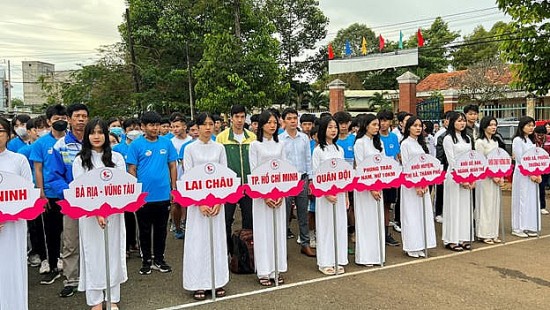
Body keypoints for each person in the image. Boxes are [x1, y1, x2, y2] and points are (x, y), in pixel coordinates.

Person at [73, 118, 127, 310]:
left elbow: (122, 188)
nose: (96, 136)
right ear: (87, 136)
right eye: (92, 132)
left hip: (114, 214)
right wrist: (96, 212)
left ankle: (112, 298)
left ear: (106, 134)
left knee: (113, 252)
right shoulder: (80, 160)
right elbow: (81, 190)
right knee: (93, 253)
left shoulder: (117, 158)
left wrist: (108, 210)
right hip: (89, 217)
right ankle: (95, 299)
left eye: (100, 132)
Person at [182, 112, 229, 300]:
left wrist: (219, 200)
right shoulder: (190, 149)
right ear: (198, 127)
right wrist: (200, 202)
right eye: (205, 124)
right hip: (196, 204)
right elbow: (188, 177)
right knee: (198, 242)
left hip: (217, 202)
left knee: (216, 241)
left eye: (211, 124)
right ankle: (198, 283)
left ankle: (216, 281)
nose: (208, 127)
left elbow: (225, 175)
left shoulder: (219, 148)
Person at [127, 111, 177, 274]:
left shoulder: (166, 143)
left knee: (161, 229)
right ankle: (146, 260)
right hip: (144, 196)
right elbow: (132, 169)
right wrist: (136, 192)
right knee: (145, 229)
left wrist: (173, 188)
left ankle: (160, 259)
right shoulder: (136, 145)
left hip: (163, 194)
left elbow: (172, 166)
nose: (155, 128)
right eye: (151, 125)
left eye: (157, 125)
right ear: (143, 127)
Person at [51, 103, 89, 297]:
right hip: (71, 202)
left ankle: (93, 276)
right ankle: (71, 279)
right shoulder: (60, 145)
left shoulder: (96, 141)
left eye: (84, 116)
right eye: (77, 116)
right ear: (69, 119)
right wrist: (70, 193)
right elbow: (54, 176)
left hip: (94, 202)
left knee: (93, 241)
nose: (81, 119)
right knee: (71, 241)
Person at [30, 104, 69, 286]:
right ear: (48, 121)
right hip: (50, 195)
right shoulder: (40, 144)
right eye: (56, 119)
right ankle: (53, 266)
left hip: (71, 195)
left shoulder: (72, 140)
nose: (60, 122)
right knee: (52, 232)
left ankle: (73, 269)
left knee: (71, 234)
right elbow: (38, 169)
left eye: (63, 119)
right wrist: (41, 194)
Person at [249, 110, 289, 286]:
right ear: (262, 124)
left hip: (278, 194)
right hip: (261, 196)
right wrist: (265, 194)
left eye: (275, 122)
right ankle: (264, 271)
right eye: (269, 122)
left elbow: (285, 169)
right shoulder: (255, 145)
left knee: (277, 231)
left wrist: (280, 193)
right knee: (263, 231)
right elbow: (254, 171)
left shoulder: (280, 145)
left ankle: (277, 268)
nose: (272, 125)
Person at [0, 116, 33, 310]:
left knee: (13, 268)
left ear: (9, 134)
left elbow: (28, 193)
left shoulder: (18, 160)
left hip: (14, 225)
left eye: (0, 131)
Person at [216, 104, 256, 250]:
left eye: (242, 117)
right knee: (226, 220)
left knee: (250, 219)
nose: (239, 120)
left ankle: (246, 251)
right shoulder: (221, 138)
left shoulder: (252, 137)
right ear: (231, 118)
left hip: (248, 186)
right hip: (229, 188)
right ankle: (227, 250)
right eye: (236, 117)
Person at [312, 116, 349, 275]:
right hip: (324, 195)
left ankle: (338, 258)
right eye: (330, 127)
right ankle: (325, 261)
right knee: (326, 226)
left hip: (340, 194)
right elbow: (315, 175)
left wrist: (346, 195)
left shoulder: (339, 150)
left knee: (339, 226)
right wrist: (326, 193)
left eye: (335, 127)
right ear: (323, 130)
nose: (333, 130)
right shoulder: (318, 150)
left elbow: (345, 174)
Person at [280, 108, 315, 258]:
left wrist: (310, 179)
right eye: (289, 118)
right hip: (287, 181)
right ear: (283, 121)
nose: (293, 121)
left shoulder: (304, 138)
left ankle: (305, 244)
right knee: (285, 214)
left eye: (295, 118)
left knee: (303, 213)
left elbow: (308, 158)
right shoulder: (279, 139)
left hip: (302, 179)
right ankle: (282, 247)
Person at [400, 116, 437, 258]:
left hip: (423, 183)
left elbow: (426, 164)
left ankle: (422, 243)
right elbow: (406, 166)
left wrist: (425, 182)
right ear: (408, 127)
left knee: (423, 213)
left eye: (420, 126)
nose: (418, 128)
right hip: (410, 185)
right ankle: (411, 246)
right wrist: (415, 184)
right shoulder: (405, 144)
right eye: (414, 125)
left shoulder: (421, 144)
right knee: (411, 214)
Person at [353, 114, 385, 266]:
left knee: (376, 219)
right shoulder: (360, 143)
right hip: (365, 187)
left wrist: (379, 184)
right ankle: (365, 256)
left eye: (378, 125)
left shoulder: (379, 143)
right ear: (366, 125)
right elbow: (360, 166)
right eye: (374, 124)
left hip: (378, 185)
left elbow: (384, 164)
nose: (377, 127)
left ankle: (377, 253)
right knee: (366, 220)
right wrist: (371, 187)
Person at [442, 112, 474, 252]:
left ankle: (463, 237)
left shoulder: (468, 138)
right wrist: (461, 178)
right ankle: (451, 239)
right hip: (455, 177)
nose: (462, 123)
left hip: (468, 175)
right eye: (459, 121)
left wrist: (472, 177)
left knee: (465, 208)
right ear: (452, 122)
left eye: (463, 121)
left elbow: (472, 158)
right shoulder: (448, 139)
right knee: (454, 207)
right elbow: (452, 160)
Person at [475, 116, 505, 244]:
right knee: (485, 204)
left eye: (495, 125)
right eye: (490, 125)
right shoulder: (479, 142)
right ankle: (483, 233)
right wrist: (493, 176)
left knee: (494, 204)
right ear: (484, 126)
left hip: (496, 177)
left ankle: (493, 232)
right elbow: (481, 162)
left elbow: (499, 160)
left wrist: (501, 175)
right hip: (485, 178)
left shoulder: (495, 142)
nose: (493, 127)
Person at [511, 116, 540, 238]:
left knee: (531, 199)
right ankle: (518, 227)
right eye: (528, 125)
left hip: (533, 173)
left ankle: (529, 225)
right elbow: (520, 159)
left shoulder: (532, 140)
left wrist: (538, 172)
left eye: (532, 125)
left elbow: (536, 158)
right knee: (521, 198)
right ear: (522, 126)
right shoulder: (518, 140)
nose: (531, 128)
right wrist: (530, 173)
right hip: (522, 173)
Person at [376, 110, 401, 247]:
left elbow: (397, 156)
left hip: (391, 177)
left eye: (386, 120)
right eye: (381, 120)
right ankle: (376, 232)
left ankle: (385, 233)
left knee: (387, 205)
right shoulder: (375, 138)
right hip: (378, 176)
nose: (383, 123)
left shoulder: (393, 137)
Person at [170, 114, 192, 240]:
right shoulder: (170, 142)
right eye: (173, 127)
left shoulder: (191, 141)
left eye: (177, 126)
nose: (175, 129)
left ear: (184, 126)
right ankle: (177, 226)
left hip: (188, 177)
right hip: (175, 177)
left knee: (189, 203)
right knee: (176, 204)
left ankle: (187, 224)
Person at [434, 111, 456, 224]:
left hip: (457, 168)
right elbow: (439, 154)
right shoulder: (441, 135)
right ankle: (438, 212)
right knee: (441, 191)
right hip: (444, 167)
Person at [534, 125, 550, 215]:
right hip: (534, 166)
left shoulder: (548, 139)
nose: (540, 136)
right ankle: (533, 206)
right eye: (538, 134)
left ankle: (542, 206)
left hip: (546, 166)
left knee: (542, 186)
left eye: (542, 135)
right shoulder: (532, 139)